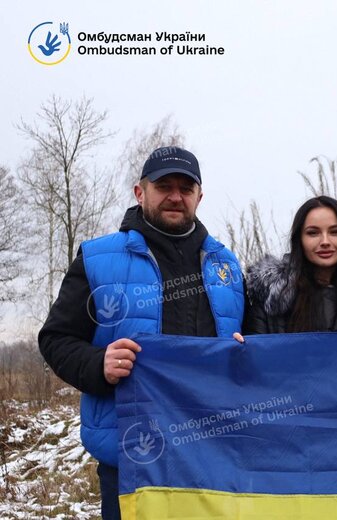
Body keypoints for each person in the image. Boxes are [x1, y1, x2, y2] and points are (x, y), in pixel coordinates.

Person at [38, 146, 245, 519]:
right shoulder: (97, 258)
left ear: (200, 196)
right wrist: (98, 363)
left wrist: (243, 351)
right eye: (164, 185)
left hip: (212, 455)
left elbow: (245, 342)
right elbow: (55, 339)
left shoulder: (226, 265)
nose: (175, 196)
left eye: (186, 188)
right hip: (133, 457)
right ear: (140, 192)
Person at [242, 195, 337, 333]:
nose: (325, 241)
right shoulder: (270, 297)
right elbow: (255, 351)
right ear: (299, 239)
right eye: (313, 233)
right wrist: (238, 345)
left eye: (335, 232)